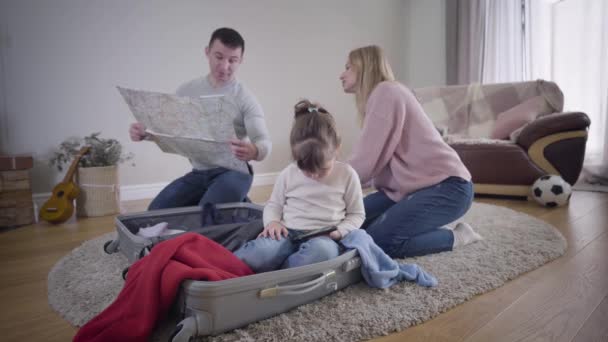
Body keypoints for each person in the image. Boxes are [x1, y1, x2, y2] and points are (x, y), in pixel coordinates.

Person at [339, 45, 482, 258]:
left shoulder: (386, 92)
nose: (341, 74)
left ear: (364, 67)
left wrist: (329, 186)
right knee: (349, 223)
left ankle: (457, 236)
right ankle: (413, 225)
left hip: (449, 188)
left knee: (379, 241)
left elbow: (365, 160)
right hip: (409, 189)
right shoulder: (383, 95)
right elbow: (375, 163)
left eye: (348, 68)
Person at [129, 27, 271, 210]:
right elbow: (165, 128)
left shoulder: (245, 98)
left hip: (235, 172)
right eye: (219, 57)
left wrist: (255, 150)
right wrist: (144, 133)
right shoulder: (187, 91)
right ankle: (237, 205)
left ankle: (232, 205)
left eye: (232, 60)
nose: (225, 66)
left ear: (241, 61)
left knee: (205, 215)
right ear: (207, 52)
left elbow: (264, 142)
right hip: (199, 174)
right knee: (155, 212)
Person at [234, 100, 365, 273]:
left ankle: (282, 272)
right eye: (306, 170)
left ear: (337, 149)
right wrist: (273, 222)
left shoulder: (347, 175)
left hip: (323, 237)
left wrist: (340, 231)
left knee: (323, 253)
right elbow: (274, 205)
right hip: (286, 233)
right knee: (258, 253)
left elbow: (357, 214)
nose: (314, 175)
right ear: (295, 156)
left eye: (322, 169)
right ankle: (239, 265)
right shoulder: (288, 174)